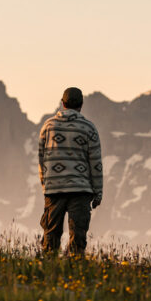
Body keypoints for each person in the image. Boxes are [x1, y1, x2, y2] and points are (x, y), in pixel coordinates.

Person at [38, 86, 104, 255]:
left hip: (54, 189)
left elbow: (41, 158)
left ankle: (49, 271)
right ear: (81, 104)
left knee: (51, 235)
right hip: (80, 190)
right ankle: (75, 270)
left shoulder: (48, 126)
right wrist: (98, 192)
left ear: (63, 103)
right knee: (78, 236)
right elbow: (95, 163)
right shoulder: (89, 128)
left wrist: (45, 184)